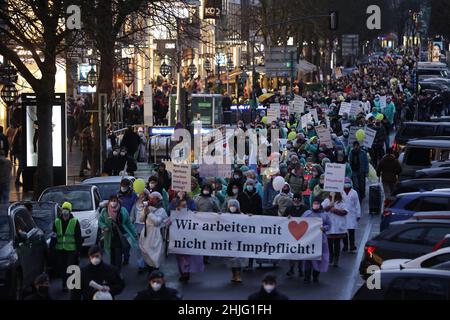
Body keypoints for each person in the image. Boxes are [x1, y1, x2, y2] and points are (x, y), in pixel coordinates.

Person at [168, 194, 204, 282]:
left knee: (186, 258)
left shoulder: (190, 214)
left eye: (186, 205)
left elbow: (199, 223)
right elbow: (167, 222)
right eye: (183, 205)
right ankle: (182, 272)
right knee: (179, 258)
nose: (185, 207)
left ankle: (186, 273)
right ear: (179, 206)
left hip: (187, 240)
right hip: (177, 240)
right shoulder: (174, 215)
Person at [98, 195, 138, 270]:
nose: (113, 202)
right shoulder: (105, 211)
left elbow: (129, 223)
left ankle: (117, 272)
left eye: (115, 200)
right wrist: (104, 227)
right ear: (109, 202)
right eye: (111, 201)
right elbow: (100, 221)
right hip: (109, 236)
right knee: (112, 256)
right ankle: (113, 272)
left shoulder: (123, 210)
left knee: (118, 256)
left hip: (120, 236)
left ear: (117, 201)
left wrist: (134, 233)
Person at [53, 202, 82, 291]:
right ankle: (65, 285)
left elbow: (78, 237)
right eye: (64, 209)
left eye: (67, 210)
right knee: (62, 268)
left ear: (70, 211)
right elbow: (54, 236)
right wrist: (52, 248)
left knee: (71, 267)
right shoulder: (57, 221)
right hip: (60, 249)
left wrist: (78, 250)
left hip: (71, 249)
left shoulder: (74, 221)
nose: (65, 211)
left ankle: (73, 285)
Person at [302, 197, 331, 283]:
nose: (315, 205)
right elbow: (299, 221)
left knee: (318, 258)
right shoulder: (307, 213)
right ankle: (307, 276)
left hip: (320, 240)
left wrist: (324, 228)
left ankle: (315, 276)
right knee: (307, 258)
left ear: (320, 204)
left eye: (317, 203)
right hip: (308, 240)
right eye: (314, 203)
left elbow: (329, 225)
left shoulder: (324, 215)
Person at [139, 192, 168, 273]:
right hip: (146, 233)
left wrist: (149, 213)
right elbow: (141, 219)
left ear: (157, 199)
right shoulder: (148, 207)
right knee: (146, 252)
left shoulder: (161, 210)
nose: (150, 200)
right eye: (150, 198)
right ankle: (149, 269)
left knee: (155, 254)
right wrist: (144, 211)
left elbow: (157, 222)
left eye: (153, 198)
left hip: (155, 234)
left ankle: (155, 271)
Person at [284, 193, 308, 277]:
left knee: (301, 251)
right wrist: (288, 218)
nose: (296, 201)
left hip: (302, 233)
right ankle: (291, 268)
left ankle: (300, 269)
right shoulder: (289, 208)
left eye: (298, 199)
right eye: (295, 199)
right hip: (291, 233)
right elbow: (283, 219)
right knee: (292, 251)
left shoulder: (305, 208)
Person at [322, 193, 348, 267]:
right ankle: (331, 257)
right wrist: (329, 206)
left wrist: (335, 210)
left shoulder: (342, 201)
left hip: (338, 226)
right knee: (329, 244)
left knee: (337, 244)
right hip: (329, 226)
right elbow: (321, 209)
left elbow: (345, 212)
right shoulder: (326, 201)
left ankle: (336, 258)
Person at [224, 199, 246, 283]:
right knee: (230, 260)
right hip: (229, 241)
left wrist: (250, 217)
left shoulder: (242, 215)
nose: (232, 207)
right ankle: (234, 274)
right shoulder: (225, 215)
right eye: (231, 205)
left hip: (238, 240)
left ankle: (238, 275)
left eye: (234, 206)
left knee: (238, 260)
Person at [341, 177, 361, 252]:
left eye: (347, 183)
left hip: (352, 214)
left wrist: (358, 214)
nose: (346, 184)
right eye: (345, 183)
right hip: (343, 214)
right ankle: (345, 245)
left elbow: (357, 204)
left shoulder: (354, 192)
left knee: (351, 231)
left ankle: (352, 245)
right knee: (344, 232)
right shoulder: (340, 192)